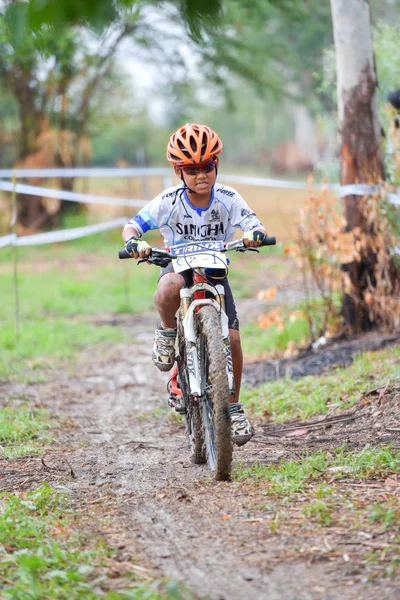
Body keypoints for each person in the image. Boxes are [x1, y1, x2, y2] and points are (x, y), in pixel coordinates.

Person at [122, 123, 267, 446]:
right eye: (192, 170)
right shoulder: (168, 201)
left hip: (215, 272)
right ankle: (166, 332)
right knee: (169, 284)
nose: (201, 176)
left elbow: (253, 223)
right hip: (180, 267)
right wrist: (135, 243)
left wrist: (253, 234)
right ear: (179, 171)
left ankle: (233, 406)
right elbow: (133, 226)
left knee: (231, 338)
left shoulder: (229, 198)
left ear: (216, 166)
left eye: (207, 168)